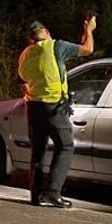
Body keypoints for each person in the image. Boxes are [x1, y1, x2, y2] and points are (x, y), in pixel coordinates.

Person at [17, 15, 96, 208]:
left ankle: (36, 196)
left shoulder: (26, 54)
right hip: (54, 107)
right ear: (45, 33)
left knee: (38, 152)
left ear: (31, 39)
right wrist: (89, 30)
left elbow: (21, 81)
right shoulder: (56, 46)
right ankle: (52, 193)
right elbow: (88, 49)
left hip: (34, 108)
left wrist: (32, 95)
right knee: (66, 146)